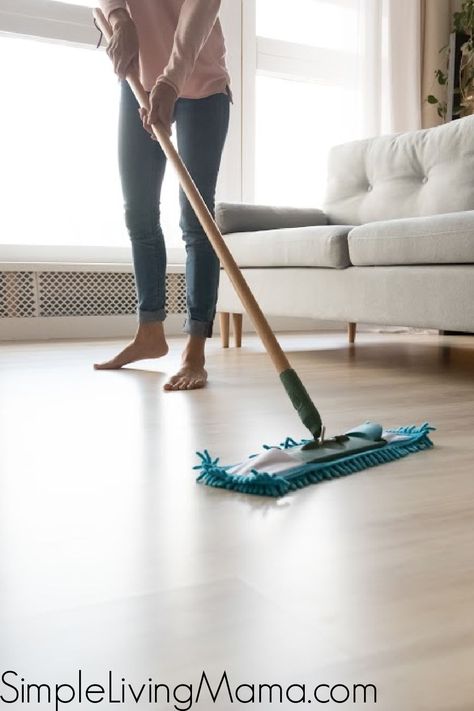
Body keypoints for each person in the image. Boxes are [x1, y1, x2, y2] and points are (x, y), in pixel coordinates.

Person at [94, 0, 231, 390]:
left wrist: (171, 81)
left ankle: (195, 349)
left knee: (195, 218)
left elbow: (199, 15)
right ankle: (149, 333)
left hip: (202, 86)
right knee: (138, 211)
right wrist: (119, 19)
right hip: (140, 81)